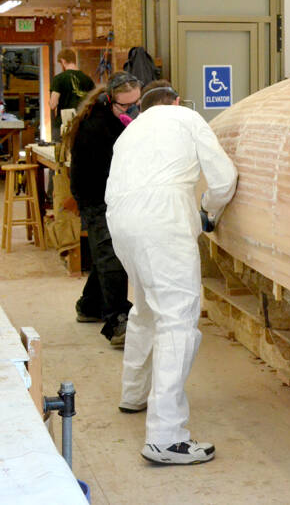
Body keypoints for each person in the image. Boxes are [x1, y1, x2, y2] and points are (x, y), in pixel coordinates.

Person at [105, 80, 238, 465]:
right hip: (163, 222)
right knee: (177, 321)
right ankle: (166, 438)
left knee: (145, 308)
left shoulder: (130, 133)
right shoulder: (187, 117)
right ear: (177, 101)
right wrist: (209, 212)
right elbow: (224, 179)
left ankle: (133, 393)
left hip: (122, 222)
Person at [64, 72, 140, 346]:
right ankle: (117, 319)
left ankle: (89, 306)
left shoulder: (116, 119)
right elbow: (104, 172)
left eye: (136, 103)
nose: (132, 109)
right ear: (109, 100)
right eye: (125, 105)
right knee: (111, 255)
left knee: (103, 252)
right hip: (95, 196)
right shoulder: (97, 126)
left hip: (110, 194)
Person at [50, 48, 95, 140]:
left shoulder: (59, 79)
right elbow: (93, 102)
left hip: (64, 125)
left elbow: (53, 105)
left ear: (63, 61)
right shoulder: (87, 79)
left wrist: (50, 102)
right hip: (83, 124)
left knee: (61, 152)